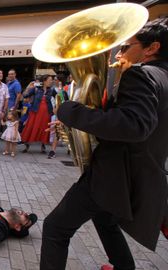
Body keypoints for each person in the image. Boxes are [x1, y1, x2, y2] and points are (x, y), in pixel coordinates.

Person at [40, 17, 168, 270]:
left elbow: (134, 126)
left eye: (124, 47)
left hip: (112, 175)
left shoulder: (140, 75)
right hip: (134, 173)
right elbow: (141, 121)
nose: (117, 54)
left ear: (151, 48)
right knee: (104, 219)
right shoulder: (163, 76)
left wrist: (70, 112)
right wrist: (83, 125)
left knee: (55, 228)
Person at [20, 75, 56, 154]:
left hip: (47, 113)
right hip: (35, 111)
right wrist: (29, 87)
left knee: (44, 128)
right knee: (31, 127)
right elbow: (25, 95)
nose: (51, 81)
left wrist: (55, 108)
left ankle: (43, 146)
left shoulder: (52, 90)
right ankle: (27, 145)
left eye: (52, 80)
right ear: (44, 81)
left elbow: (58, 98)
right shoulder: (36, 89)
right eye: (50, 80)